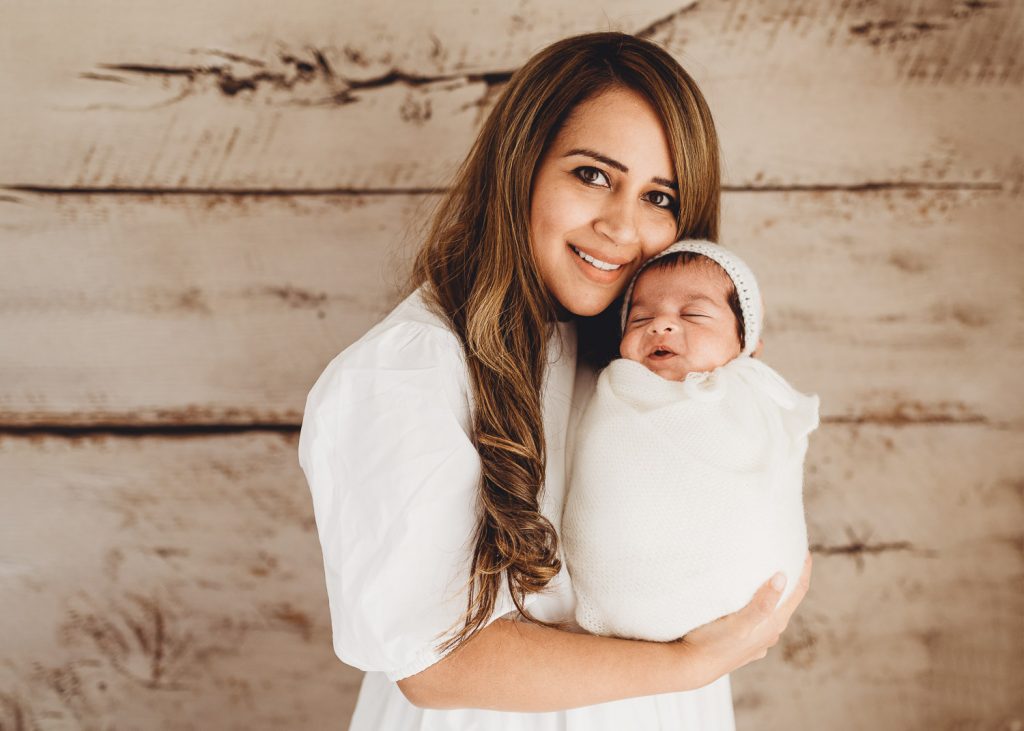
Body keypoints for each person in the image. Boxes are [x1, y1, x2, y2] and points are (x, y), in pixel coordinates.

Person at [297, 31, 813, 729]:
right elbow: (435, 664)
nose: (621, 226)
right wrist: (694, 661)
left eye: (659, 195)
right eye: (593, 175)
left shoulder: (643, 364)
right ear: (522, 166)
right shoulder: (407, 373)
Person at [563, 239, 819, 645]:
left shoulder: (746, 400)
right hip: (623, 593)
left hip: (739, 599)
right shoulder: (619, 395)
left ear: (746, 348)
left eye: (694, 314)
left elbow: (764, 488)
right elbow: (607, 486)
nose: (659, 326)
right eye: (639, 318)